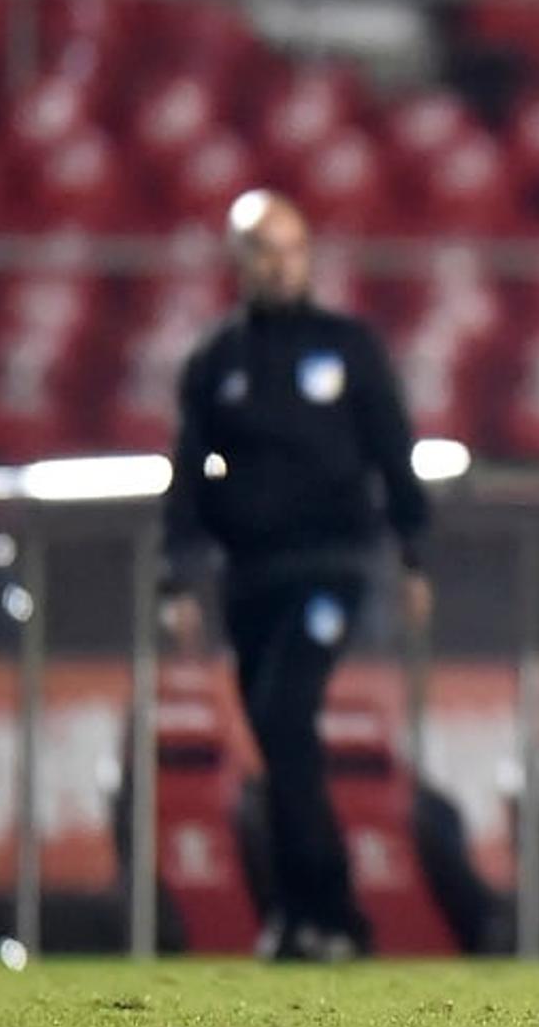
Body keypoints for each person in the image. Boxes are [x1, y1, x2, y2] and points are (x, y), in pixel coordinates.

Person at [159, 189, 434, 961]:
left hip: (331, 569)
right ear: (239, 261)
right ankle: (305, 918)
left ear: (308, 255)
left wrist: (413, 552)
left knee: (283, 716)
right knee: (282, 740)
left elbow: (393, 451)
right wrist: (177, 578)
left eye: (290, 247)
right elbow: (185, 474)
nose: (279, 263)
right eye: (263, 249)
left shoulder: (349, 347)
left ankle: (327, 907)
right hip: (250, 577)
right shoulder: (216, 361)